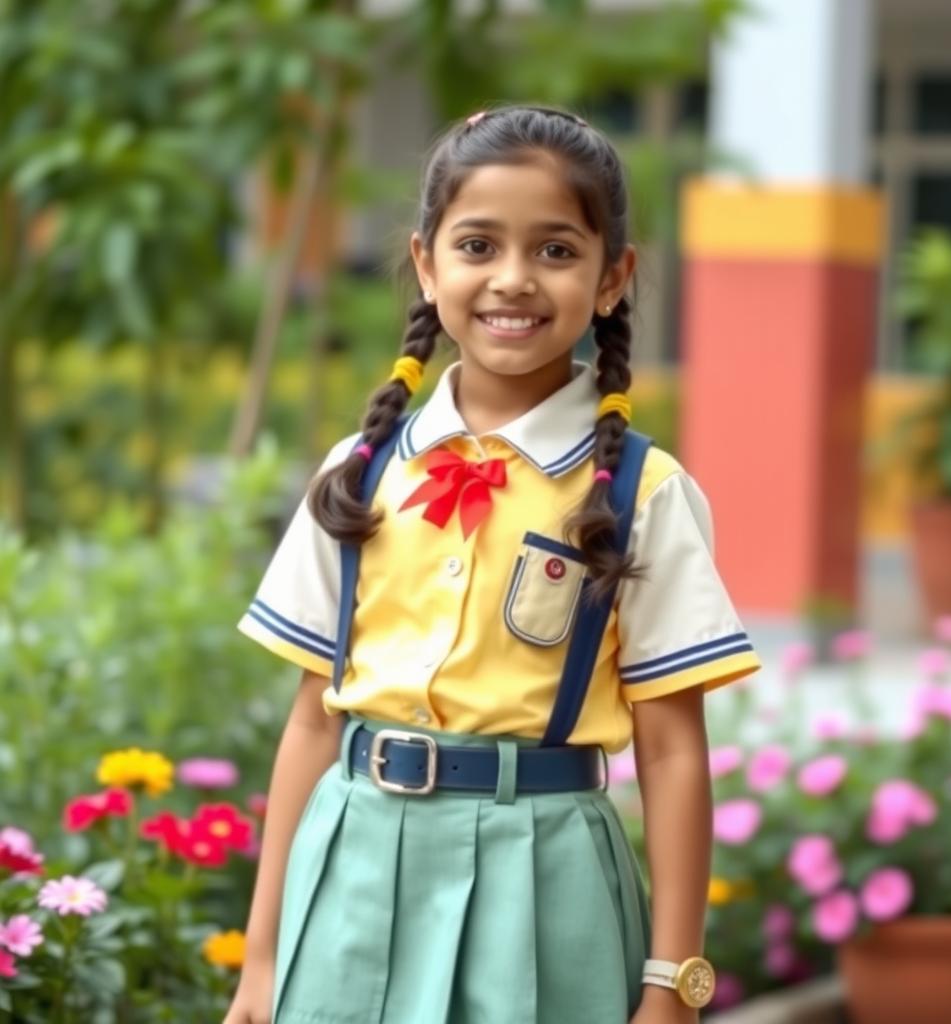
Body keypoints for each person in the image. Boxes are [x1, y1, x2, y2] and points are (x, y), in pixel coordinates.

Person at [224, 103, 761, 1024]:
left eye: (555, 251)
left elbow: (672, 750)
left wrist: (674, 983)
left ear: (611, 278)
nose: (513, 279)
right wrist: (262, 963)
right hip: (350, 865)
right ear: (428, 264)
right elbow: (313, 720)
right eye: (478, 246)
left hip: (544, 881)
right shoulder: (358, 473)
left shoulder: (642, 492)